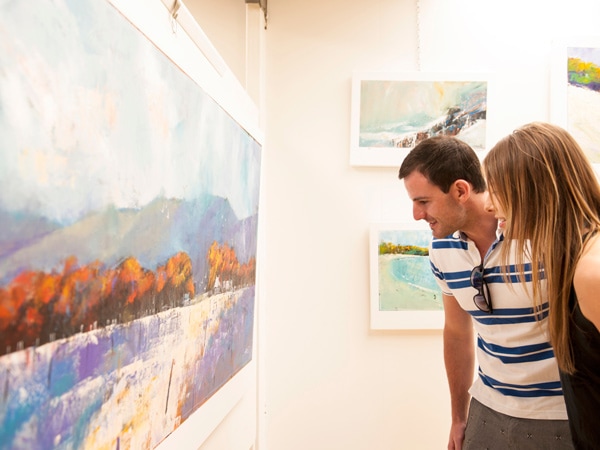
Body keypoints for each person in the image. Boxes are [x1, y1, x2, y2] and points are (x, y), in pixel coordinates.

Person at [398, 135, 572, 450]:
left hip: (558, 415)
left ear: (461, 190)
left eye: (423, 201)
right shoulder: (442, 248)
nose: (416, 214)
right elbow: (456, 332)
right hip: (487, 410)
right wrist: (458, 416)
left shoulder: (537, 230)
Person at [482, 122, 600, 450]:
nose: (489, 205)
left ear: (533, 190)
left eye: (496, 188)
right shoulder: (573, 263)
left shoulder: (592, 271)